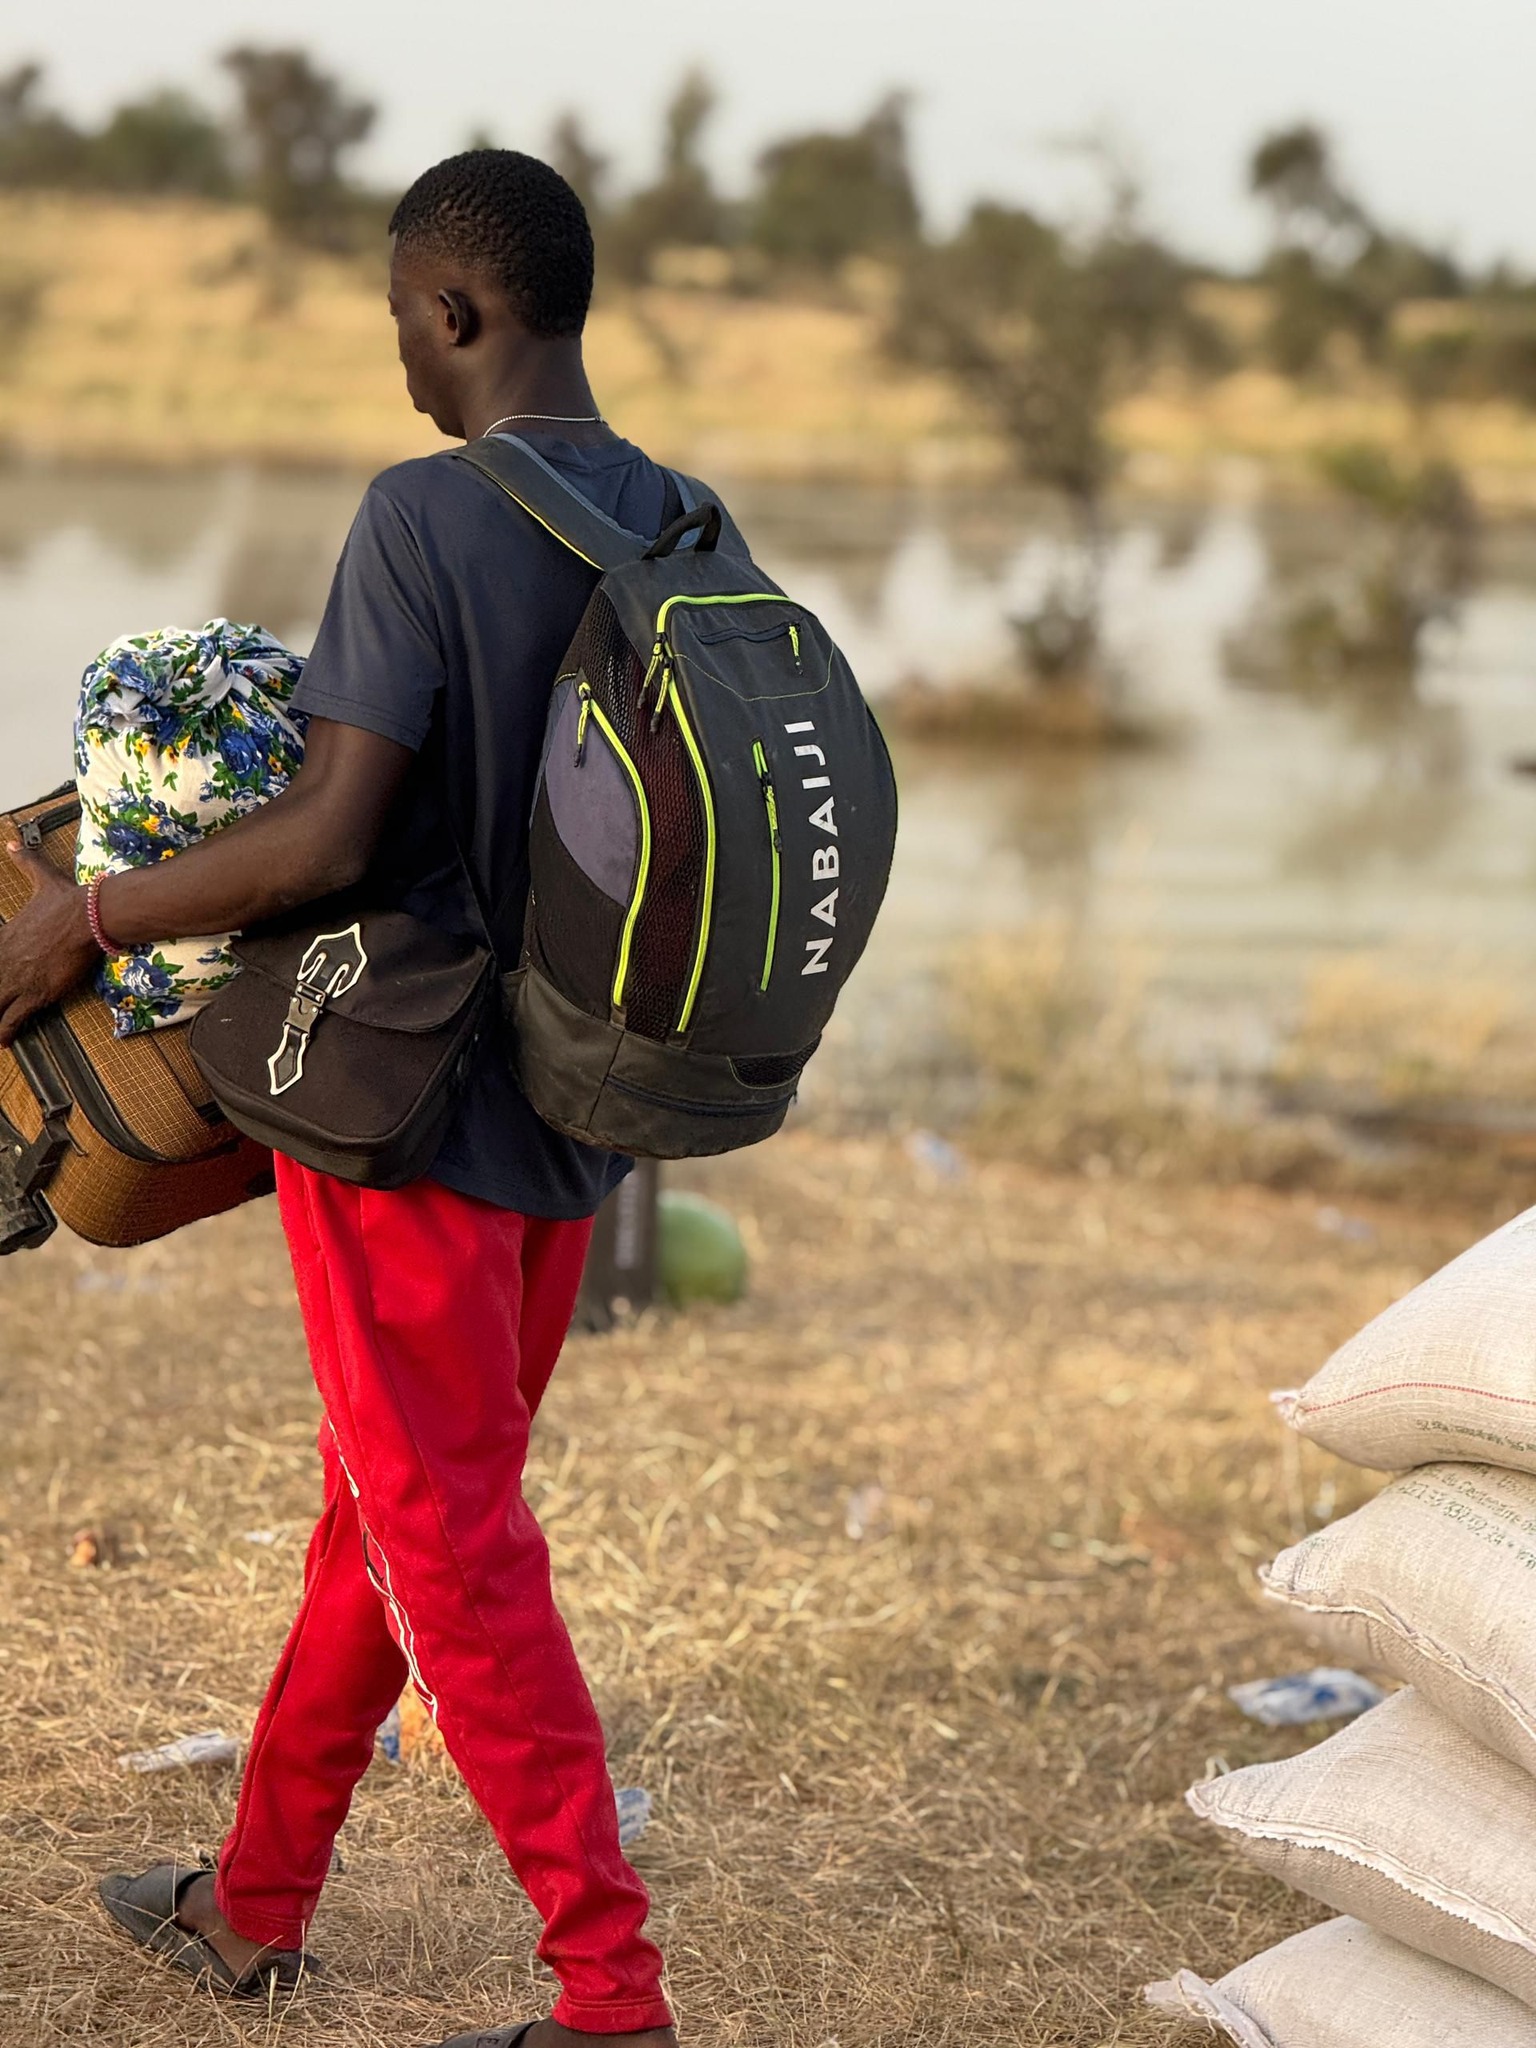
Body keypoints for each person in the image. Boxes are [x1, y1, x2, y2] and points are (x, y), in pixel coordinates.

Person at [0, 150, 686, 2048]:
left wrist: (90, 921)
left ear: (454, 313)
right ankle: (254, 1894)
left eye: (401, 316)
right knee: (390, 1510)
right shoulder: (679, 518)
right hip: (575, 1115)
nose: (399, 352)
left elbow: (325, 835)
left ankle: (607, 1994)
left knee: (448, 1543)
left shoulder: (425, 514)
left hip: (398, 1110)